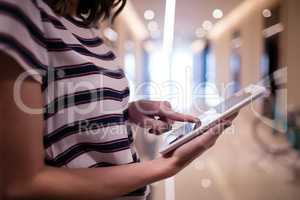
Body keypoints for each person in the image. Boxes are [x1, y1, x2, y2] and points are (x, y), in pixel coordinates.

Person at [0, 0, 236, 199]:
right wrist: (165, 166)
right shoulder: (23, 10)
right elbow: (21, 184)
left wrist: (125, 111)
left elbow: (59, 108)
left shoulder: (85, 25)